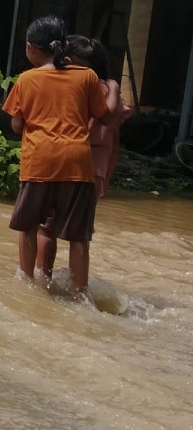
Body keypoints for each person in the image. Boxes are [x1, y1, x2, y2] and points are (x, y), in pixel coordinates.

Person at [2, 16, 108, 295]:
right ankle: (79, 294)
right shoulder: (87, 76)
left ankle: (26, 285)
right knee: (79, 237)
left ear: (30, 48)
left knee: (29, 228)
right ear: (62, 45)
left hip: (40, 161)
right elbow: (104, 116)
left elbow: (16, 125)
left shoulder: (26, 79)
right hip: (76, 163)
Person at [35, 35, 132, 283]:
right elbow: (115, 143)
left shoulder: (67, 85)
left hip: (59, 162)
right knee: (80, 236)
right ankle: (79, 293)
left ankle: (41, 283)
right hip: (93, 171)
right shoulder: (111, 93)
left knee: (47, 228)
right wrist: (106, 178)